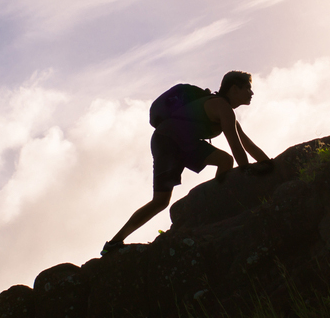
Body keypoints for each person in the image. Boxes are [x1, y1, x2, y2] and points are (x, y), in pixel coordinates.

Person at [102, 71, 272, 254]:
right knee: (160, 201)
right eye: (248, 88)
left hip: (180, 142)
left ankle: (213, 211)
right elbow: (235, 144)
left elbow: (247, 144)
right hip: (168, 140)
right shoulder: (222, 108)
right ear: (234, 89)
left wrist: (268, 163)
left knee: (223, 161)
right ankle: (114, 243)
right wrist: (246, 171)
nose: (251, 93)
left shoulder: (226, 111)